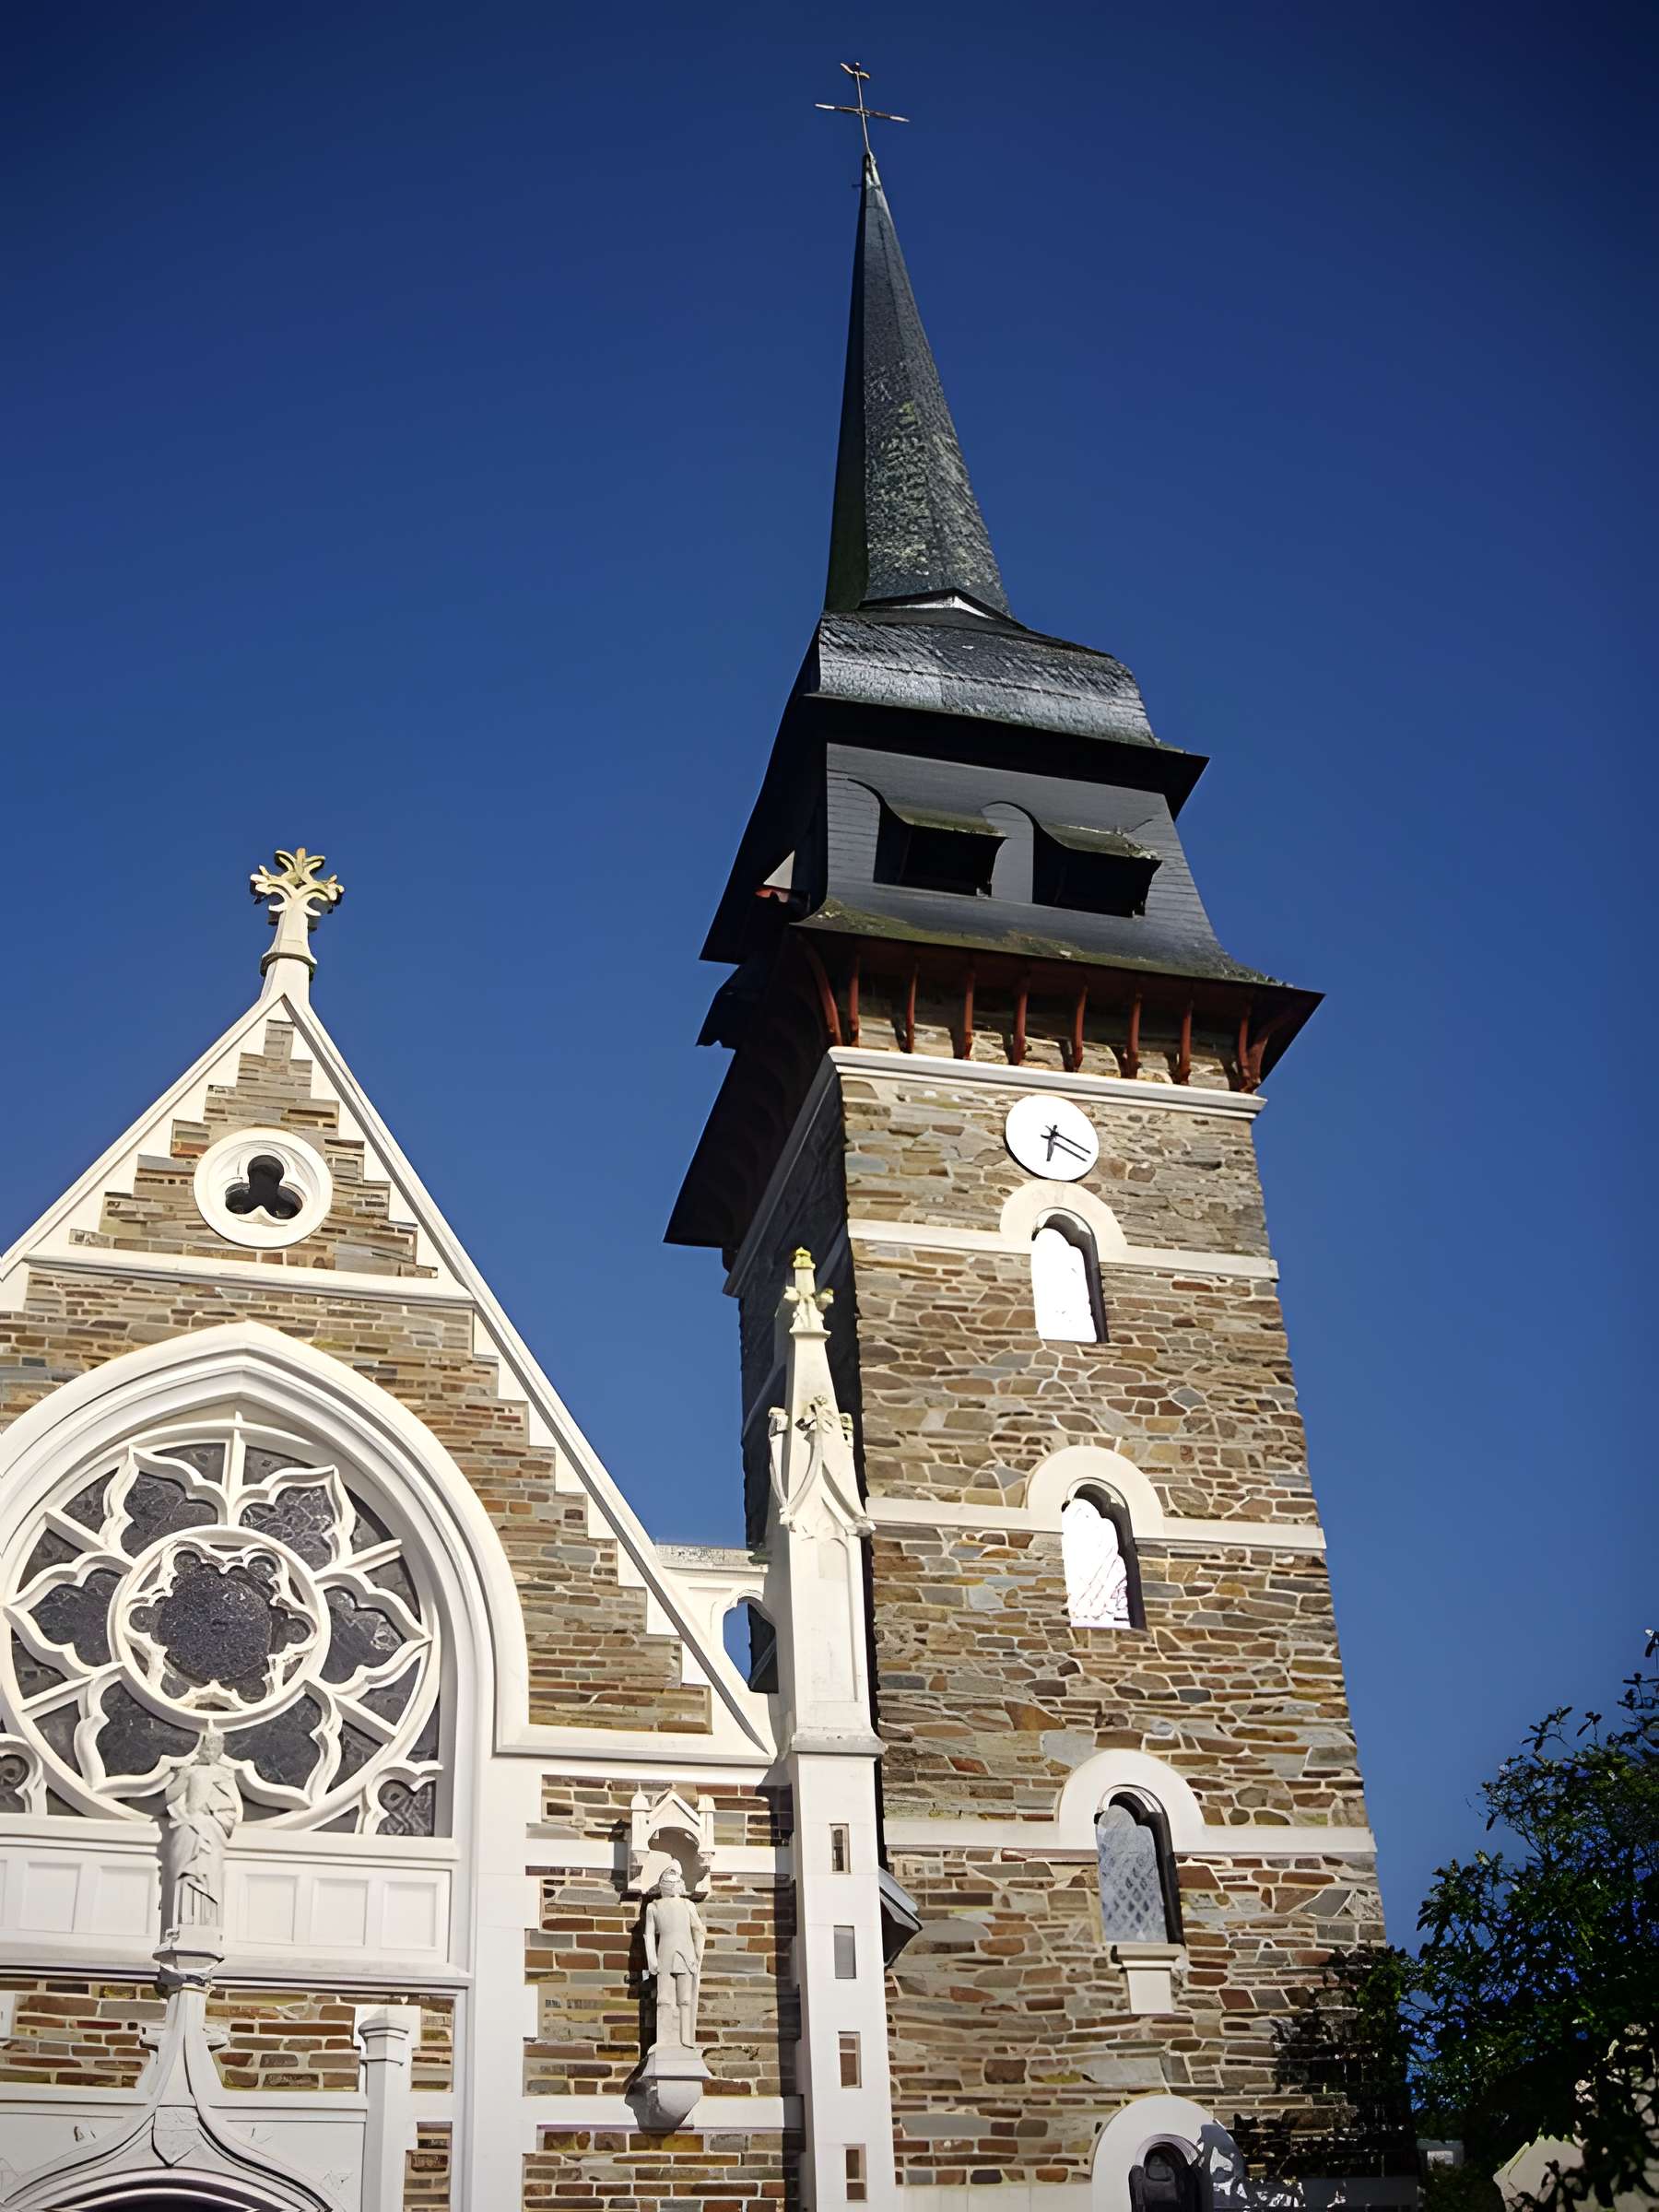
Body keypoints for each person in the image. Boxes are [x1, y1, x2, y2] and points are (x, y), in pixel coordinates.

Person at [160, 1727, 240, 1937]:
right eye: (207, 1746)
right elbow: (170, 1796)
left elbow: (233, 1809)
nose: (210, 1750)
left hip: (212, 1829)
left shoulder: (225, 1774)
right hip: (187, 1826)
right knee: (185, 1870)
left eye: (215, 1746)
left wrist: (213, 1808)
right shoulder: (188, 1770)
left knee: (207, 1870)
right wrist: (185, 1777)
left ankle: (203, 1924)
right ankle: (181, 1922)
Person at [643, 1863, 705, 2052]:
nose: (671, 1884)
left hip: (686, 1955)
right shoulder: (653, 1907)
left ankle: (686, 2039)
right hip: (665, 1955)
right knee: (664, 1998)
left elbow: (698, 1930)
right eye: (668, 1880)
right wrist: (652, 1960)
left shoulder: (688, 1905)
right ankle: (664, 2040)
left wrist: (697, 1954)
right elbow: (649, 1934)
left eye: (674, 1880)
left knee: (685, 1999)